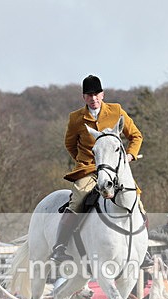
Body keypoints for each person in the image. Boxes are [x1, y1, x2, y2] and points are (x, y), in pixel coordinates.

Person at [50, 74, 144, 264]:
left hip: (115, 169)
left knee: (137, 202)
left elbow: (136, 136)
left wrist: (129, 156)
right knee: (77, 201)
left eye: (96, 94)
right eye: (89, 95)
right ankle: (59, 247)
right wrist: (82, 161)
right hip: (88, 168)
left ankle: (144, 249)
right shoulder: (76, 118)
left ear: (102, 94)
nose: (93, 98)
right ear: (84, 97)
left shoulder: (116, 110)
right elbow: (70, 144)